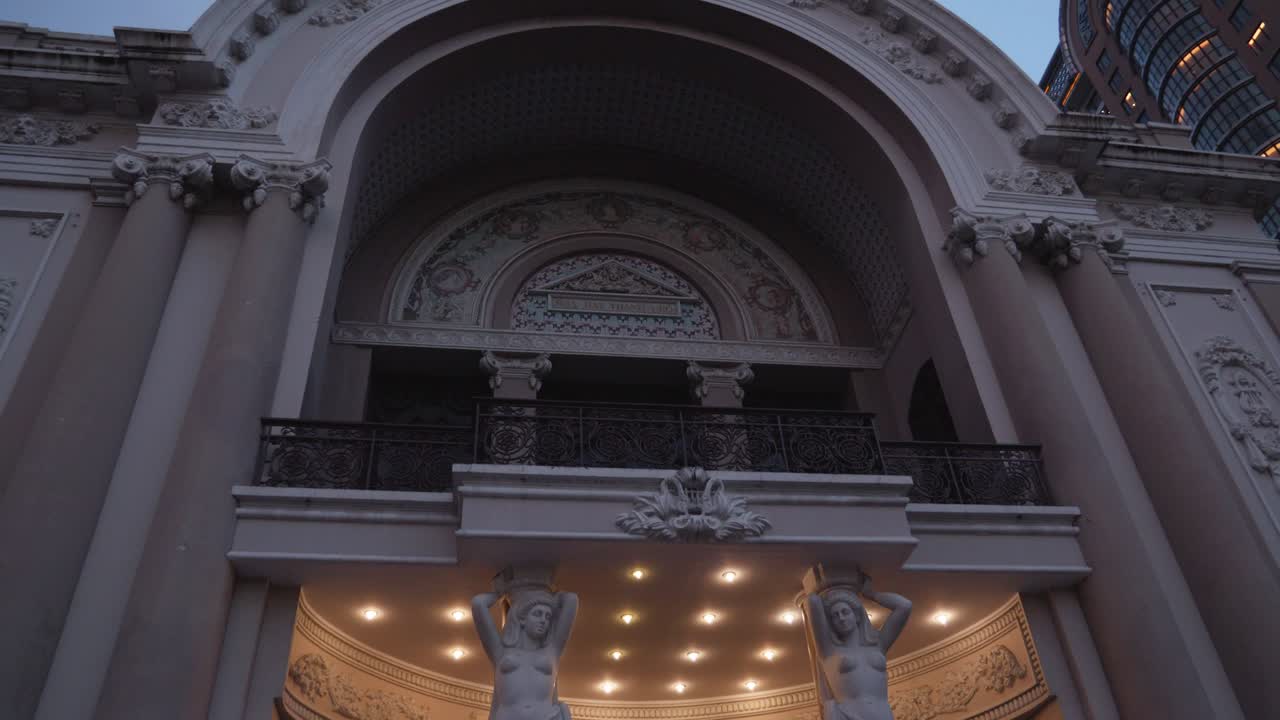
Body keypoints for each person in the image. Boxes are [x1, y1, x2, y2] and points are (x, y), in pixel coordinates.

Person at [803, 575, 912, 720]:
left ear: (857, 615)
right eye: (835, 616)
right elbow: (812, 601)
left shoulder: (878, 645)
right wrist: (818, 582)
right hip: (850, 715)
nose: (841, 618)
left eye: (845, 612)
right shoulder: (829, 651)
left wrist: (871, 594)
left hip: (883, 714)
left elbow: (905, 606)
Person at [472, 585, 578, 720]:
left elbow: (571, 600)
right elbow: (478, 604)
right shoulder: (500, 652)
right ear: (522, 618)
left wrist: (552, 598)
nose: (543, 620)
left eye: (547, 616)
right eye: (537, 614)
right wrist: (501, 589)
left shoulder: (552, 651)